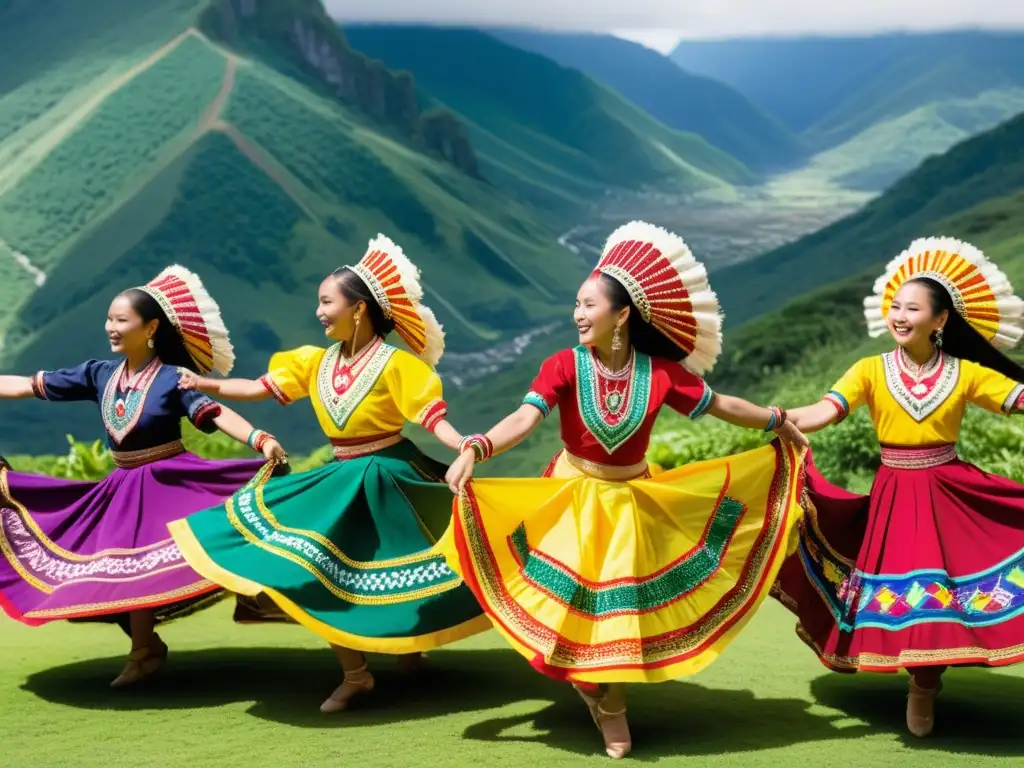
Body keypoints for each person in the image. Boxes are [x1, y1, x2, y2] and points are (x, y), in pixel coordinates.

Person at [440, 221, 810, 759]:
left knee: (618, 614)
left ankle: (603, 697)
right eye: (576, 304)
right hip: (572, 496)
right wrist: (477, 448)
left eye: (589, 304)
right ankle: (604, 699)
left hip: (635, 502)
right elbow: (524, 418)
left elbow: (723, 404)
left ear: (623, 314)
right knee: (574, 609)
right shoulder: (563, 364)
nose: (579, 314)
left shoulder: (661, 373)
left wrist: (776, 421)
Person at [169, 235, 490, 713]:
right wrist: (206, 383)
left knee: (404, 564)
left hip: (388, 475)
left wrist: (464, 444)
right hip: (341, 476)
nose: (319, 311)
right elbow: (259, 388)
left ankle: (407, 648)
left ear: (358, 309)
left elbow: (432, 419)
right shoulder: (315, 362)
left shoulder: (397, 365)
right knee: (315, 568)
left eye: (326, 301)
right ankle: (356, 673)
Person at [773, 236, 1024, 738]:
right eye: (896, 306)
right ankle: (922, 685)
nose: (900, 315)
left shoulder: (966, 373)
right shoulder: (869, 370)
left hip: (950, 491)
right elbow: (823, 412)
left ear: (941, 320)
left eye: (913, 308)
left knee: (946, 593)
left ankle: (924, 686)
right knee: (914, 592)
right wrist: (775, 417)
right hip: (895, 496)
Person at [0, 265, 283, 687]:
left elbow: (215, 411)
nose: (111, 327)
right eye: (109, 319)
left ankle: (259, 600)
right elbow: (27, 384)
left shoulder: (172, 378)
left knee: (201, 545)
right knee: (119, 567)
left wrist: (259, 438)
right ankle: (145, 650)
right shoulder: (99, 374)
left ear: (150, 327)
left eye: (121, 320)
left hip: (171, 482)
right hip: (122, 487)